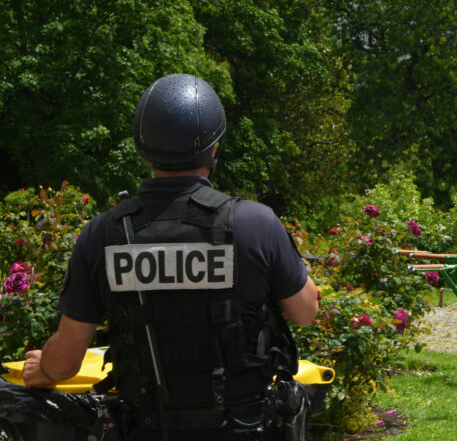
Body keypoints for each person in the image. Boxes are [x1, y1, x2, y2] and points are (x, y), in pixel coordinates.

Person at [21, 73, 320, 439]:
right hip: (242, 427)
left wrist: (45, 368)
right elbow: (305, 313)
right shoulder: (255, 222)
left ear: (142, 147)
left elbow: (65, 362)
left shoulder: (102, 234)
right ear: (214, 148)